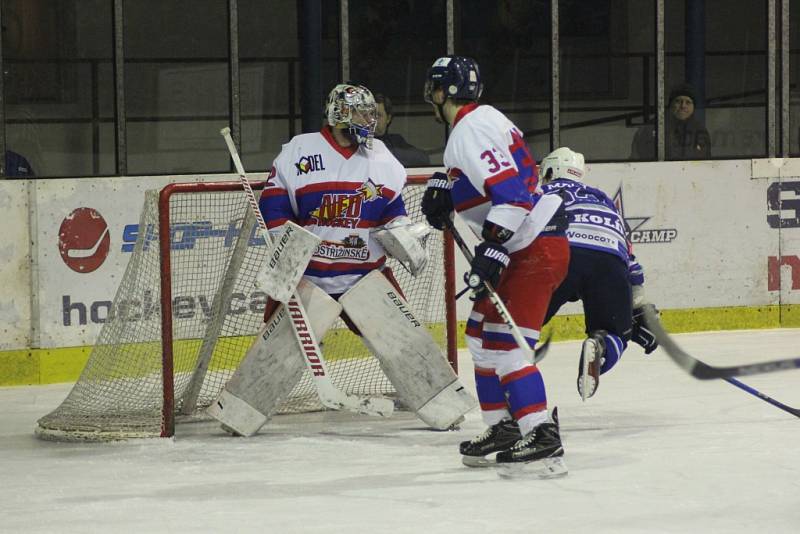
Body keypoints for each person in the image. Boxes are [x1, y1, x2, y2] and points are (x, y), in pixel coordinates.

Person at [421, 55, 570, 477]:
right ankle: (502, 427)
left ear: (439, 92)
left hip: (533, 247)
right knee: (479, 337)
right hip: (529, 244)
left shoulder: (469, 129)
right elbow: (505, 180)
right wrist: (450, 190)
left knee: (505, 345)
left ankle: (540, 430)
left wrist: (494, 245)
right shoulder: (483, 120)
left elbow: (513, 195)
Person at [539, 147, 659, 401]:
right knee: (616, 332)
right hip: (609, 261)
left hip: (563, 255)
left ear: (550, 171)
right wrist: (635, 306)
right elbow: (631, 262)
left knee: (521, 325)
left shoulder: (541, 191)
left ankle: (513, 382)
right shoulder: (603, 200)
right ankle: (602, 344)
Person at [630, 83, 711, 160]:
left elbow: (707, 162)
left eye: (688, 102)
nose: (683, 106)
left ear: (693, 107)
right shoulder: (652, 128)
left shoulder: (700, 130)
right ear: (670, 105)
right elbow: (637, 160)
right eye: (678, 101)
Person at [373, 93, 430, 167]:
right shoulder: (358, 142)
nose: (372, 120)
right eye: (369, 114)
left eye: (378, 115)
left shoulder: (396, 141)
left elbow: (423, 159)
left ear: (388, 118)